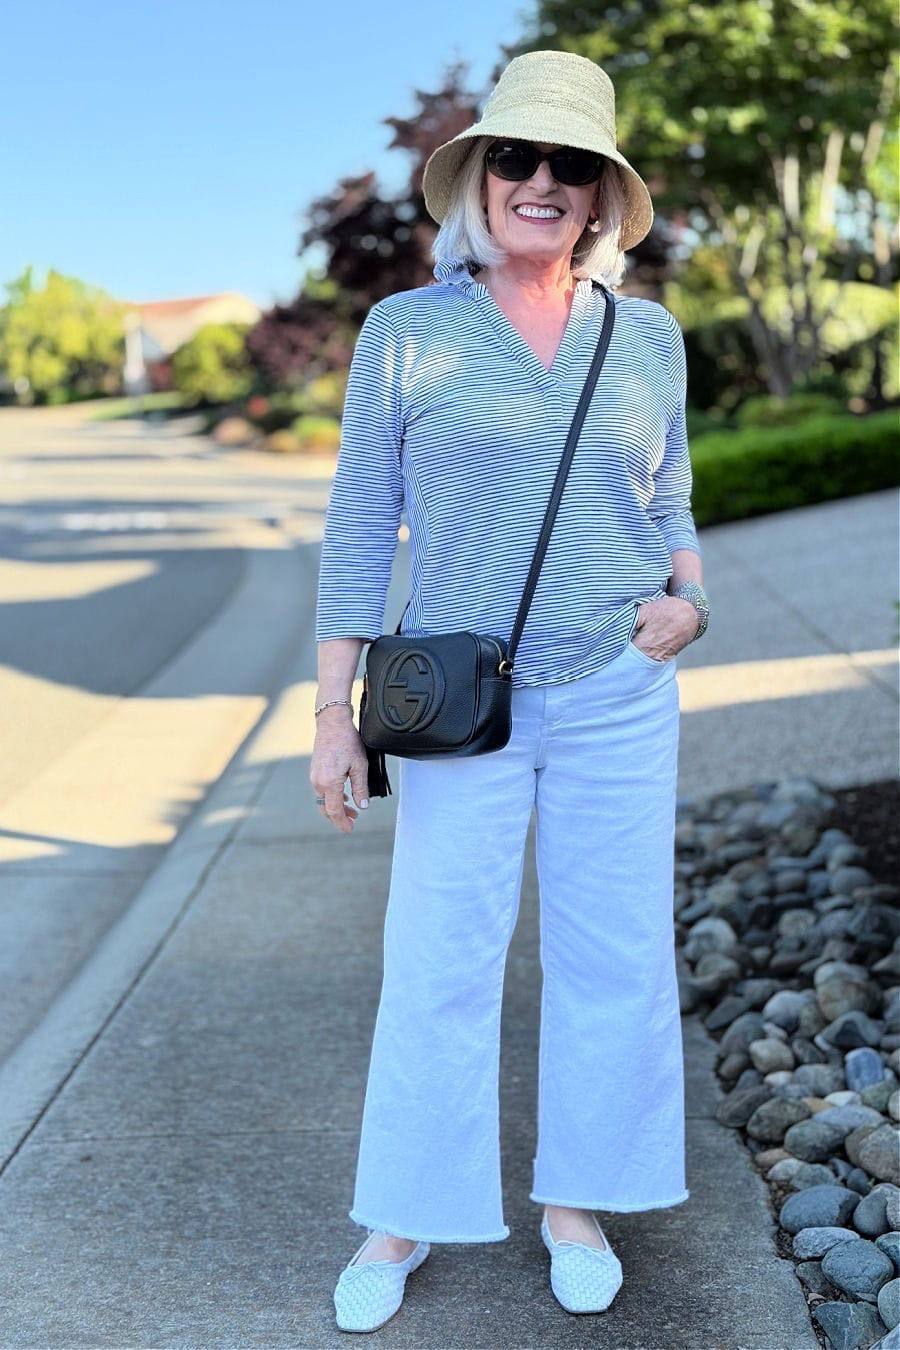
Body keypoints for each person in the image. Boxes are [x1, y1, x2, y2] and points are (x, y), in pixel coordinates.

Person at [312, 49, 709, 1333]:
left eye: (570, 166)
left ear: (599, 198)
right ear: (478, 179)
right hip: (458, 705)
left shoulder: (646, 338)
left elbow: (672, 498)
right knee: (437, 961)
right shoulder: (406, 335)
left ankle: (578, 1204)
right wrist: (334, 715)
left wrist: (689, 599)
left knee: (615, 958)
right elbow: (362, 528)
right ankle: (403, 1216)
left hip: (617, 688)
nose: (540, 182)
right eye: (517, 159)